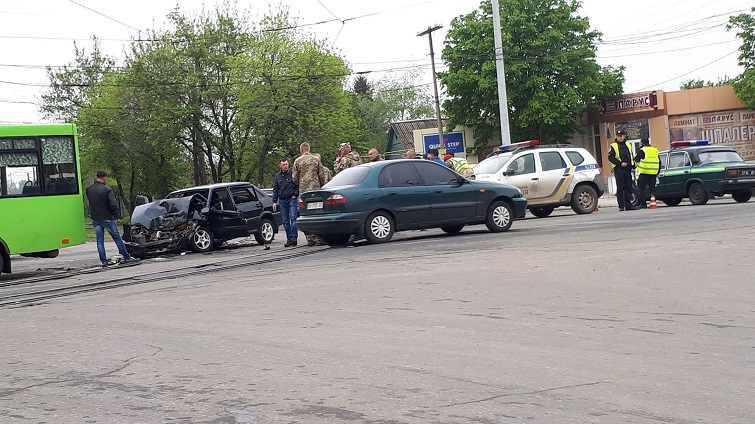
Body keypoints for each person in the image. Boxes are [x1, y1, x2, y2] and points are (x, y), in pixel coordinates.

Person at [85, 170, 137, 267]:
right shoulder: (107, 189)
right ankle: (126, 256)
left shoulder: (89, 189)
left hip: (95, 218)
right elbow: (113, 204)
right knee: (117, 238)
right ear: (104, 178)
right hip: (107, 217)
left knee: (100, 241)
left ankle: (104, 261)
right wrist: (116, 214)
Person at [293, 142, 329, 246]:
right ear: (309, 149)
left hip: (304, 192)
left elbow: (294, 178)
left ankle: (309, 238)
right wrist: (320, 185)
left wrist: (301, 183)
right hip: (315, 190)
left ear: (301, 150)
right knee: (317, 212)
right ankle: (318, 237)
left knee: (305, 214)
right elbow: (322, 175)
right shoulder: (316, 159)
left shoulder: (297, 161)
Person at [272, 158, 299, 247]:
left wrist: (295, 194)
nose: (285, 166)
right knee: (285, 221)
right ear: (280, 166)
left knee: (293, 218)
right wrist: (274, 201)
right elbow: (275, 189)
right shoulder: (277, 176)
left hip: (292, 199)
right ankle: (289, 239)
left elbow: (297, 185)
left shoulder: (293, 174)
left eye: (286, 164)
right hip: (282, 200)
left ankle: (294, 237)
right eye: (283, 165)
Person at [608, 130, 637, 211]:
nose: (620, 137)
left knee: (628, 187)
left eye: (621, 136)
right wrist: (620, 163)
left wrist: (633, 167)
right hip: (619, 169)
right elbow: (611, 158)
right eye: (618, 136)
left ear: (624, 136)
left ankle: (628, 205)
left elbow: (631, 157)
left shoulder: (628, 145)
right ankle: (621, 205)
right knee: (620, 187)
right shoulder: (613, 146)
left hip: (627, 168)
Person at [634, 138, 660, 208]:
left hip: (644, 172)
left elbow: (636, 159)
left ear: (642, 143)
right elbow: (659, 162)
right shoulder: (655, 150)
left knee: (641, 187)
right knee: (652, 188)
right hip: (653, 173)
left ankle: (643, 204)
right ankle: (653, 202)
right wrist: (658, 172)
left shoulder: (642, 150)